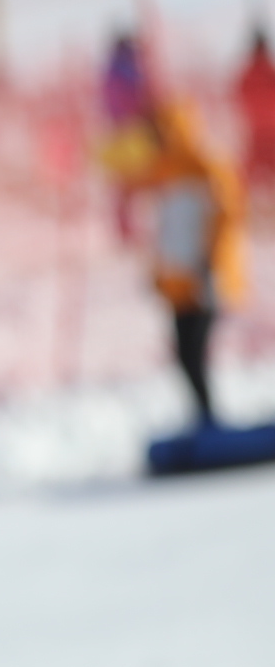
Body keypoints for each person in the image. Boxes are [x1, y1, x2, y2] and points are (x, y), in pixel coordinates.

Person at [100, 37, 249, 428]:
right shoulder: (163, 174)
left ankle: (210, 418)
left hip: (204, 279)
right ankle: (203, 418)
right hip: (180, 283)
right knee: (183, 354)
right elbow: (164, 233)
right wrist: (159, 275)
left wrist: (213, 266)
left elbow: (225, 219)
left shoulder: (205, 167)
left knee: (196, 351)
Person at [234, 30, 275, 201]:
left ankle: (244, 205)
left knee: (247, 178)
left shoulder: (248, 72)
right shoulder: (269, 70)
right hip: (269, 130)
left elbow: (238, 95)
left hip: (256, 130)